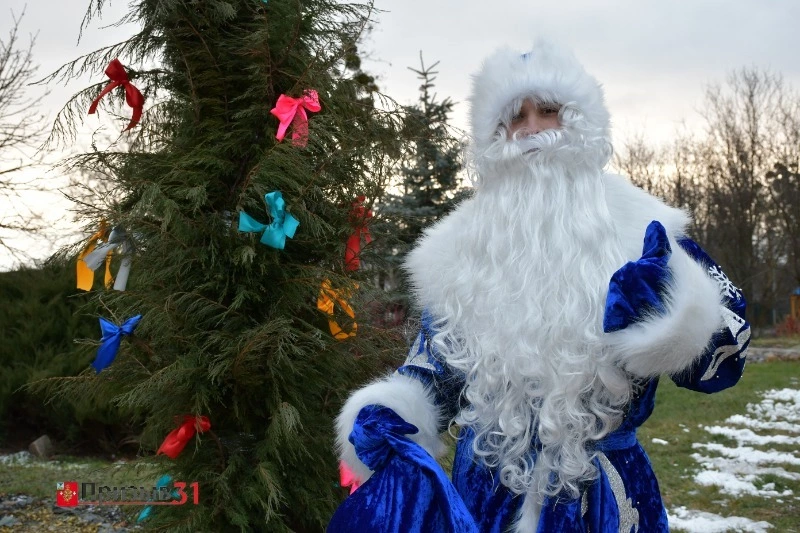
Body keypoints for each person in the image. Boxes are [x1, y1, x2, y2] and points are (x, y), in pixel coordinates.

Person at [329, 39, 750, 533]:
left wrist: (670, 315)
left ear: (579, 122)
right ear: (494, 137)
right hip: (487, 499)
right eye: (514, 117)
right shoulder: (457, 251)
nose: (531, 130)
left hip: (605, 501)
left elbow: (723, 360)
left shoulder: (643, 230)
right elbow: (435, 369)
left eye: (547, 110)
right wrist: (394, 406)